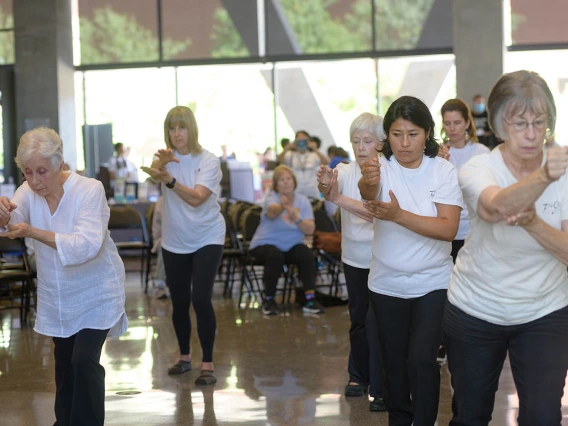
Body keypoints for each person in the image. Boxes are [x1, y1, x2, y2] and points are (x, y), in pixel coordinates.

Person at [444, 70, 568, 425]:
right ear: (499, 125)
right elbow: (495, 207)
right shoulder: (477, 167)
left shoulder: (565, 172)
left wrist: (531, 222)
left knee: (543, 417)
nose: (531, 135)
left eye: (539, 122)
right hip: (476, 307)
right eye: (519, 123)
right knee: (470, 416)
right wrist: (544, 176)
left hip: (546, 308)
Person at [0, 127, 128, 426]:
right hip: (58, 292)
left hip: (97, 288)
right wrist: (4, 215)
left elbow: (86, 245)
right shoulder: (28, 192)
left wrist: (32, 231)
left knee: (84, 361)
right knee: (64, 362)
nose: (34, 180)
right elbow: (12, 223)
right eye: (28, 172)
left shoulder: (89, 189)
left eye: (41, 171)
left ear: (60, 163)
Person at [359, 96, 463, 426]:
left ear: (428, 133)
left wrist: (399, 215)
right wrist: (370, 179)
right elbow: (368, 190)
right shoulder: (380, 166)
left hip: (432, 282)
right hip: (386, 284)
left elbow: (448, 228)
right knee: (394, 365)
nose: (404, 143)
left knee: (421, 359)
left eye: (413, 134)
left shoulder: (443, 170)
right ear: (386, 136)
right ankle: (400, 420)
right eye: (396, 134)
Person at [140, 106, 225, 385]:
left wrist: (170, 180)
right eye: (172, 128)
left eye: (182, 128)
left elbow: (198, 197)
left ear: (192, 129)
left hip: (207, 236)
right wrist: (161, 166)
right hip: (175, 240)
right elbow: (153, 175)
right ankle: (185, 357)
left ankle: (208, 363)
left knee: (201, 299)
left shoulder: (209, 160)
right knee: (179, 302)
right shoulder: (165, 158)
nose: (177, 134)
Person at [317, 112, 387, 412]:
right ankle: (358, 375)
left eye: (367, 141)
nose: (361, 147)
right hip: (354, 258)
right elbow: (328, 190)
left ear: (381, 143)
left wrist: (335, 197)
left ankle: (383, 386)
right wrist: (324, 186)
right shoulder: (344, 171)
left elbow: (375, 211)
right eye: (355, 141)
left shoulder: (391, 170)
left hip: (384, 258)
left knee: (381, 322)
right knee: (358, 319)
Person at [249, 164, 325, 315]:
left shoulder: (303, 201)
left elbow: (310, 229)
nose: (285, 182)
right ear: (276, 184)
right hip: (265, 244)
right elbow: (271, 213)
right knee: (274, 255)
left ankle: (309, 299)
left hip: (291, 245)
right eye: (281, 180)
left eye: (288, 178)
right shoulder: (271, 198)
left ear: (294, 181)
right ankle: (269, 299)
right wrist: (282, 206)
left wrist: (295, 216)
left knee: (306, 254)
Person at [441, 99, 490, 262]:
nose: (452, 128)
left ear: (467, 123)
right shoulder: (438, 154)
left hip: (474, 229)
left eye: (457, 122)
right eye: (447, 123)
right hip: (446, 230)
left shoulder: (481, 152)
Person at [277, 130, 329, 198]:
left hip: (312, 190)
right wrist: (287, 148)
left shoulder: (313, 154)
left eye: (304, 139)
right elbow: (279, 161)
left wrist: (315, 149)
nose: (301, 142)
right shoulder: (290, 154)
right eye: (299, 139)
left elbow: (326, 161)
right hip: (296, 191)